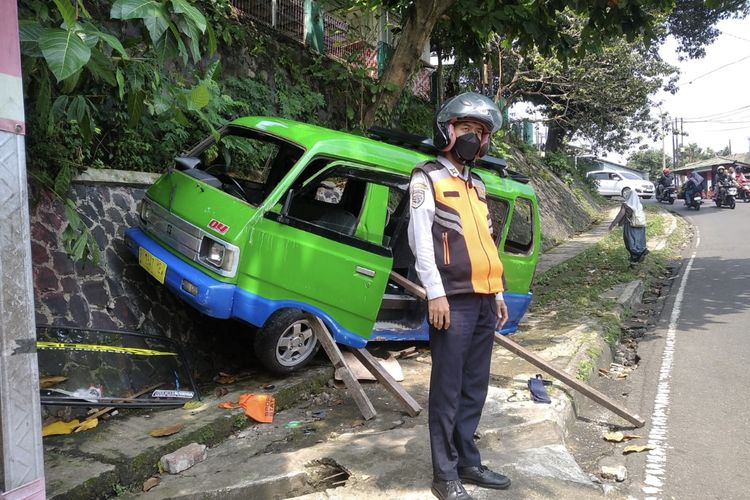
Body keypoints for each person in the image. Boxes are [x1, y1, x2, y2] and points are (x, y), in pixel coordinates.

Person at [408, 92, 510, 500]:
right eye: (468, 129)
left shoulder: (478, 185)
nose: (475, 138)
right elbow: (421, 243)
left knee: (474, 385)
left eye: (481, 133)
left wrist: (498, 290)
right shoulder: (427, 177)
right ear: (447, 130)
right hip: (451, 299)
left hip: (485, 299)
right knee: (447, 388)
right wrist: (435, 294)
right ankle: (444, 474)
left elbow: (485, 240)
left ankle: (468, 461)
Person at [608, 187, 648, 264]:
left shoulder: (626, 205)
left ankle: (637, 256)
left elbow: (620, 215)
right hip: (640, 225)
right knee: (639, 241)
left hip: (630, 226)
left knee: (630, 242)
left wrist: (613, 224)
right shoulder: (639, 205)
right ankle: (639, 254)